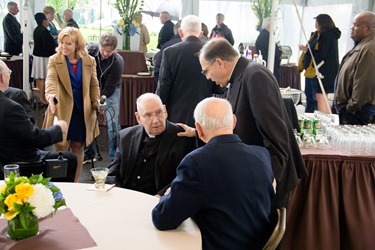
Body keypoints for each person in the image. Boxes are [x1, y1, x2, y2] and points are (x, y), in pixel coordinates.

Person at [179, 38, 307, 208]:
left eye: (206, 71)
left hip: (269, 176)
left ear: (219, 63)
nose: (208, 78)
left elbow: (276, 133)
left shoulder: (255, 75)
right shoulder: (241, 75)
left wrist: (271, 177)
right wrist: (198, 132)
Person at [152, 97, 274, 249]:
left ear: (199, 129)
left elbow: (163, 219)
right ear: (234, 121)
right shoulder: (261, 154)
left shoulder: (196, 162)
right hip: (257, 243)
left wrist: (168, 195)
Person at [0, 60, 77, 182]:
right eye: (8, 72)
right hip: (17, 163)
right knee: (70, 159)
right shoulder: (10, 108)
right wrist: (58, 128)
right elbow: (35, 138)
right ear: (2, 78)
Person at [106, 93, 196, 196]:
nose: (155, 120)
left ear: (165, 111)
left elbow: (184, 176)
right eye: (148, 115)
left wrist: (161, 196)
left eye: (159, 113)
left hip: (160, 202)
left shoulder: (182, 138)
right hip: (126, 198)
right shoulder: (126, 136)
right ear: (138, 118)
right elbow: (112, 173)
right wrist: (119, 194)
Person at [43, 27, 100, 182]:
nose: (64, 47)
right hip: (61, 109)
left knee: (78, 146)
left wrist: (96, 102)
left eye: (68, 43)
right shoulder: (55, 60)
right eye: (62, 42)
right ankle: (61, 182)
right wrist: (51, 96)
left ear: (77, 45)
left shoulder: (89, 60)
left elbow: (94, 84)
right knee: (61, 147)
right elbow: (51, 80)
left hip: (82, 111)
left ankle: (75, 182)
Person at [156, 15, 220, 127]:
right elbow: (218, 87)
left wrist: (158, 112)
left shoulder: (169, 53)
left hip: (176, 115)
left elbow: (163, 87)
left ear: (180, 32)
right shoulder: (212, 52)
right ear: (201, 34)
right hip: (204, 114)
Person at [87, 33, 124, 161]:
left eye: (109, 51)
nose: (106, 53)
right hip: (90, 89)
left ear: (114, 49)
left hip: (110, 91)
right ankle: (87, 153)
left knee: (113, 123)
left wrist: (100, 102)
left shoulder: (118, 62)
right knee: (88, 120)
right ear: (99, 45)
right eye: (103, 50)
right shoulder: (89, 51)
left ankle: (115, 157)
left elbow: (109, 88)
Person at [334, 11, 375, 125]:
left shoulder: (370, 48)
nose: (352, 28)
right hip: (352, 109)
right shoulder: (362, 45)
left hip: (358, 112)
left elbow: (365, 82)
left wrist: (352, 107)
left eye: (356, 25)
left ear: (368, 29)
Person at [299, 14, 341, 113]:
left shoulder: (328, 36)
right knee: (317, 97)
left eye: (317, 23)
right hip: (319, 71)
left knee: (318, 97)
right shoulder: (321, 35)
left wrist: (307, 50)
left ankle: (320, 120)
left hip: (322, 71)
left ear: (323, 23)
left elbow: (322, 54)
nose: (316, 25)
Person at [31, 12, 56, 106]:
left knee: (42, 79)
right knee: (43, 79)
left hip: (38, 56)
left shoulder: (36, 30)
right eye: (46, 19)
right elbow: (47, 46)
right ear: (43, 21)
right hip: (43, 57)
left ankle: (42, 98)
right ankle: (42, 99)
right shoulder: (44, 31)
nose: (47, 21)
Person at [255, 17, 282, 82]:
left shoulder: (261, 35)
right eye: (275, 25)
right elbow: (277, 53)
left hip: (264, 67)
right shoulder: (268, 37)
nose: (276, 28)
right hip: (270, 68)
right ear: (270, 25)